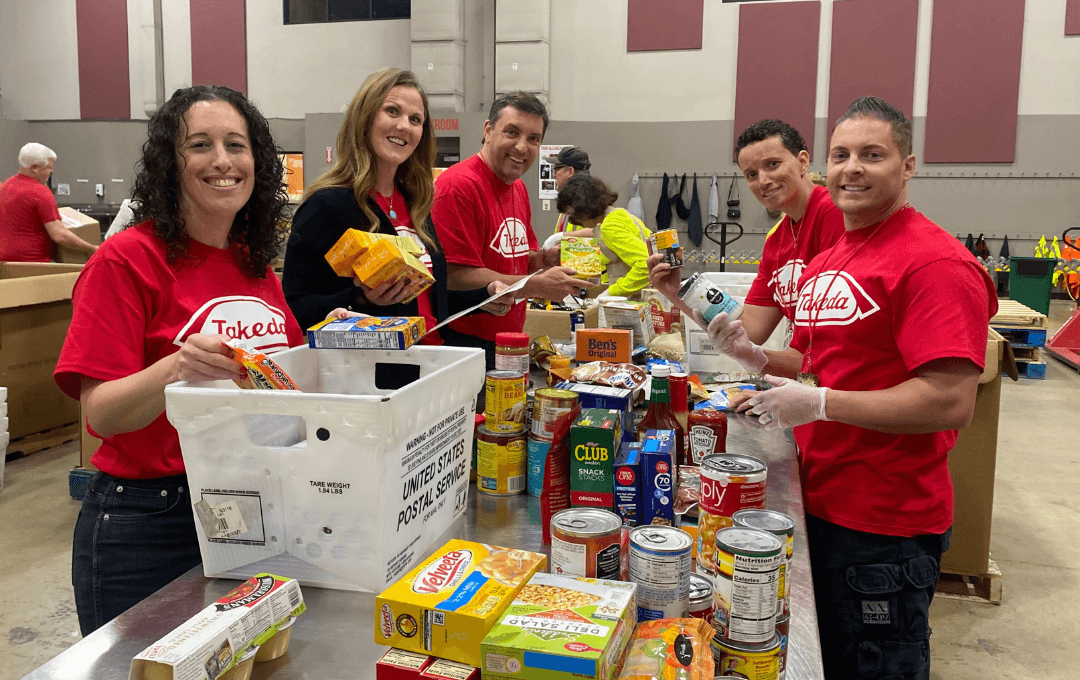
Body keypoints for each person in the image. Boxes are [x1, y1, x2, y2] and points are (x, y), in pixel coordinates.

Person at [708, 97, 997, 679]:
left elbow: (948, 400)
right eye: (842, 155)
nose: (852, 168)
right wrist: (757, 356)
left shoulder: (933, 263)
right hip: (823, 498)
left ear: (908, 165)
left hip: (883, 525)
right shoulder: (836, 254)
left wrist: (818, 402)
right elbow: (818, 361)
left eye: (873, 154)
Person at [53, 85, 305, 635]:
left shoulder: (255, 268)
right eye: (200, 145)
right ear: (171, 163)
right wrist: (176, 368)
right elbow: (101, 414)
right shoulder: (127, 261)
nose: (222, 161)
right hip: (148, 522)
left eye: (236, 145)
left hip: (251, 507)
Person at [281, 68, 506, 387]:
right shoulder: (328, 206)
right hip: (371, 383)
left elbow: (427, 302)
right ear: (365, 117)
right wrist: (359, 297)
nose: (405, 126)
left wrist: (483, 296)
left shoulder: (416, 204)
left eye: (416, 120)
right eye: (392, 111)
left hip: (430, 369)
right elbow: (295, 307)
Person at [647, 119, 845, 346]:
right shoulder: (776, 241)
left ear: (802, 162)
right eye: (751, 174)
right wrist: (678, 292)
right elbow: (750, 329)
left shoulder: (837, 215)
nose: (763, 181)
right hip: (811, 372)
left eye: (773, 164)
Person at [432, 91, 583, 369]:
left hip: (509, 338)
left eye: (533, 138)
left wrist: (545, 261)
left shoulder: (518, 189)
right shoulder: (458, 186)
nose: (522, 147)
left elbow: (517, 260)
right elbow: (454, 275)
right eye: (512, 132)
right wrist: (537, 285)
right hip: (464, 342)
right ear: (488, 130)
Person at [556, 174, 651, 299]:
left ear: (584, 210)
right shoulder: (617, 214)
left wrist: (611, 292)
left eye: (571, 214)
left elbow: (646, 265)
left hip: (639, 301)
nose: (573, 221)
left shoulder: (610, 226)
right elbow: (614, 254)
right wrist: (570, 257)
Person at [0, 143, 99, 261]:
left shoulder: (6, 186)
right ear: (35, 168)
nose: (50, 173)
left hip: (5, 263)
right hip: (33, 264)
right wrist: (92, 248)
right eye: (49, 168)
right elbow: (60, 235)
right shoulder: (40, 192)